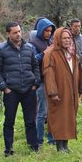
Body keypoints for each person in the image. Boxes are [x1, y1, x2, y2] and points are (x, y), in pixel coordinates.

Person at [0, 22, 41, 156]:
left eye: (19, 31)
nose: (18, 34)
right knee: (9, 120)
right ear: (8, 34)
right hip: (11, 90)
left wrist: (36, 82)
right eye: (15, 32)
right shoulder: (1, 49)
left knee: (31, 120)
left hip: (29, 89)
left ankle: (33, 145)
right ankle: (9, 149)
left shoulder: (29, 47)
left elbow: (35, 65)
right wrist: (3, 87)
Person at [42, 28, 82, 152]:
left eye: (69, 38)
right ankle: (59, 147)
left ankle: (65, 146)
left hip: (71, 92)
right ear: (58, 39)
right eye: (64, 38)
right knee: (59, 118)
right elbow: (49, 74)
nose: (67, 40)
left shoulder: (72, 53)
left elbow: (79, 71)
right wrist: (53, 92)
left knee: (69, 117)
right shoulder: (51, 53)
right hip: (59, 92)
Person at [30, 17, 55, 146]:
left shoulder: (51, 41)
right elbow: (32, 60)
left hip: (52, 80)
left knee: (52, 111)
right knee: (41, 112)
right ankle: (39, 140)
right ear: (41, 30)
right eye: (46, 31)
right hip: (41, 81)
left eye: (50, 31)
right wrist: (44, 54)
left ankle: (52, 138)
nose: (49, 33)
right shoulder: (33, 44)